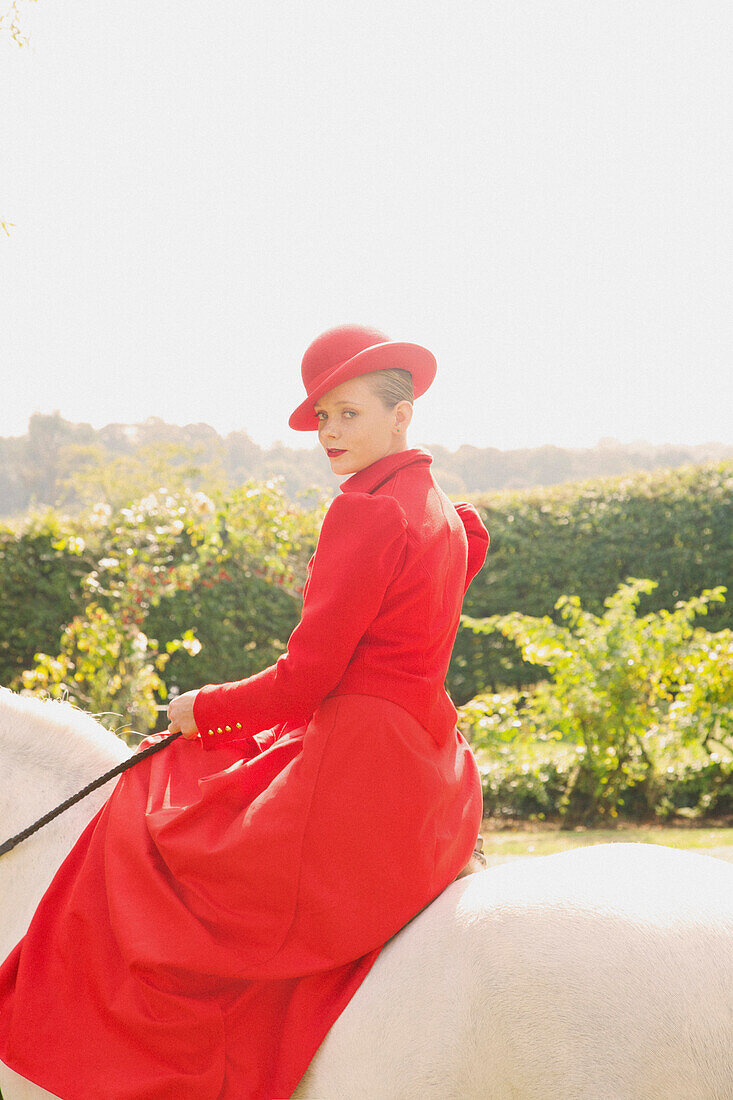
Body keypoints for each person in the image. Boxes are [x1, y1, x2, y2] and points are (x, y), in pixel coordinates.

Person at [0, 323, 489, 1100]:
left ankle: (142, 1061)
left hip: (355, 765)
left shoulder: (364, 514)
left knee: (153, 840)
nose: (329, 432)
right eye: (321, 416)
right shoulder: (444, 509)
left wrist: (205, 708)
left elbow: (307, 676)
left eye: (348, 413)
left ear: (401, 415)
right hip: (430, 766)